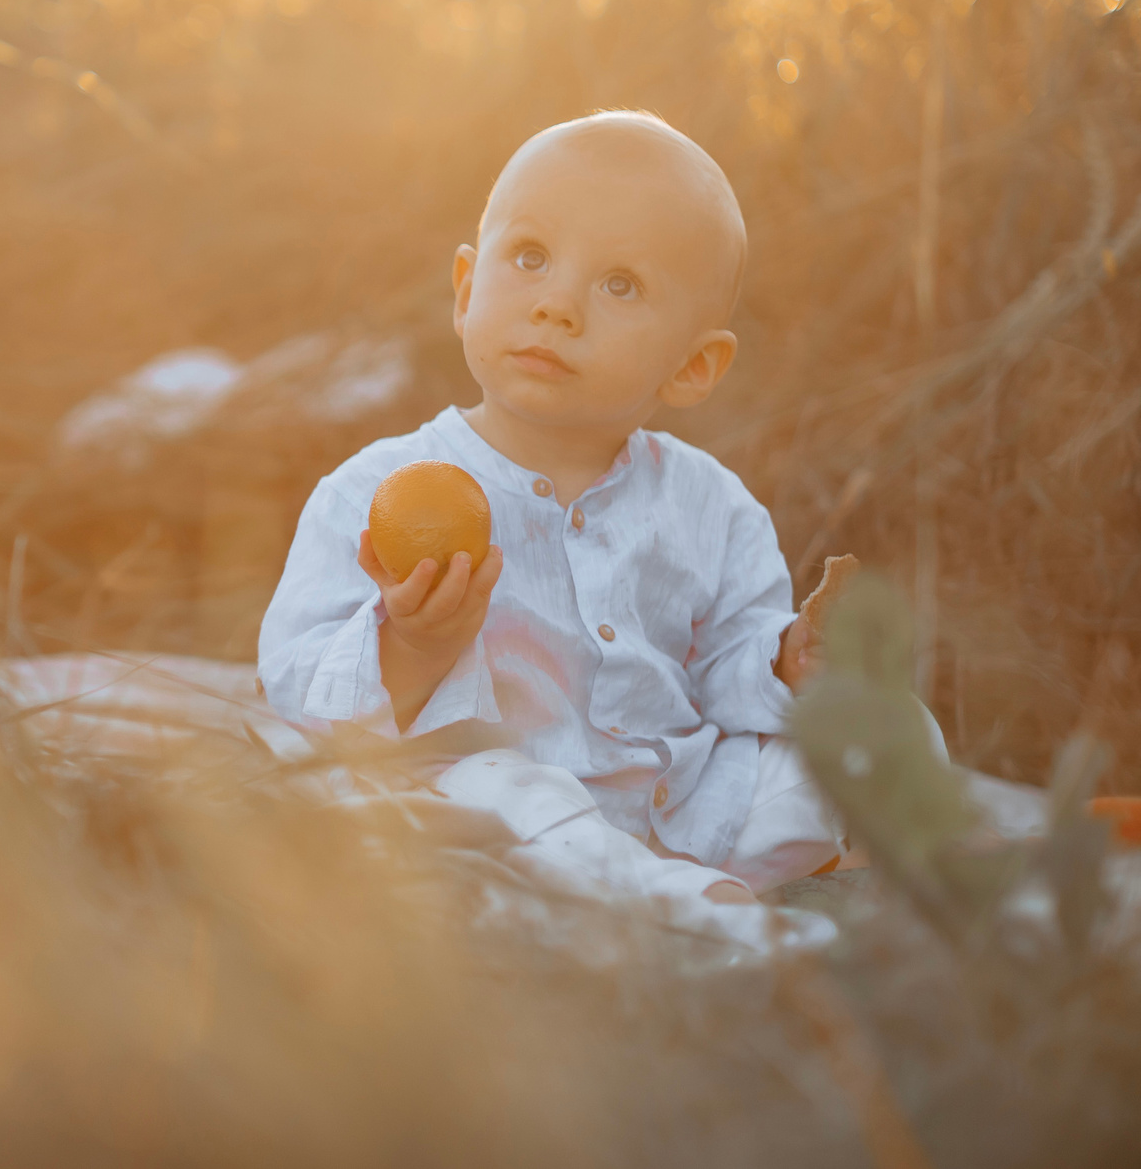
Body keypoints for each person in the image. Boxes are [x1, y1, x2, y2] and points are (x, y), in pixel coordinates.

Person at [256, 111, 931, 938]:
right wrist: (414, 647)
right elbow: (298, 688)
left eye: (620, 285)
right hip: (514, 815)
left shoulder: (712, 506)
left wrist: (791, 663)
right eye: (530, 259)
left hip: (687, 811)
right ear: (467, 292)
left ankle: (876, 882)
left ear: (692, 367)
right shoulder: (375, 491)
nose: (558, 306)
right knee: (477, 788)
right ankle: (711, 920)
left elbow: (729, 661)